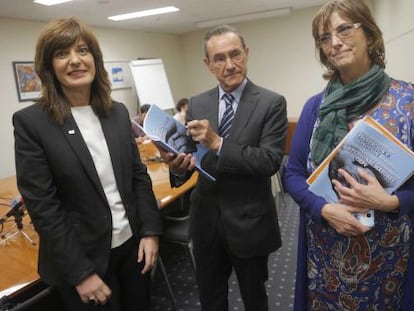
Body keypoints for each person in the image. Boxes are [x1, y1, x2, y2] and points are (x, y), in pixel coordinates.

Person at [13, 17, 162, 311]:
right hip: (84, 262)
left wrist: (150, 231)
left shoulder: (116, 113)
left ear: (95, 59)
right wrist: (80, 273)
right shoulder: (32, 123)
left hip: (133, 250)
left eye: (82, 50)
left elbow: (138, 177)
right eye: (61, 53)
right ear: (48, 67)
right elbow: (44, 208)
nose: (74, 61)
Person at [283, 1, 414, 310]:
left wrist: (390, 202)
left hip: (389, 257)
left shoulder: (407, 101)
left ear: (369, 36)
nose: (335, 42)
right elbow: (293, 173)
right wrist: (324, 209)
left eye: (344, 29)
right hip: (326, 255)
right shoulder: (316, 107)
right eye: (324, 37)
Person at [159, 24, 288, 311]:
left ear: (247, 54)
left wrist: (218, 143)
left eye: (235, 55)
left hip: (249, 223)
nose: (229, 65)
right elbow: (192, 161)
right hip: (205, 222)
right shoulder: (198, 103)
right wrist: (178, 164)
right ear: (208, 64)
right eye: (219, 59)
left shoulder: (271, 103)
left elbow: (269, 161)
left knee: (255, 299)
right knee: (211, 299)